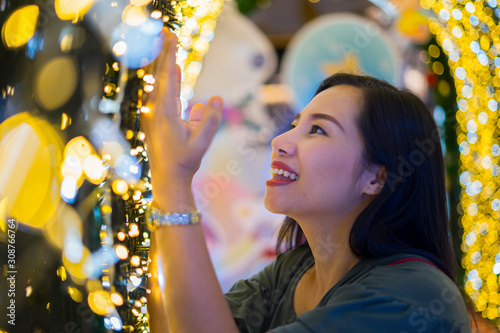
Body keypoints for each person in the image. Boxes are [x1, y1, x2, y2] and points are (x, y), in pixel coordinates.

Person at [141, 29, 471, 332]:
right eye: (295, 125)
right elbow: (175, 325)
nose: (280, 142)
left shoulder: (414, 295)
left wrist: (174, 181)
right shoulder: (291, 273)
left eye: (317, 129)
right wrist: (163, 179)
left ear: (376, 177)